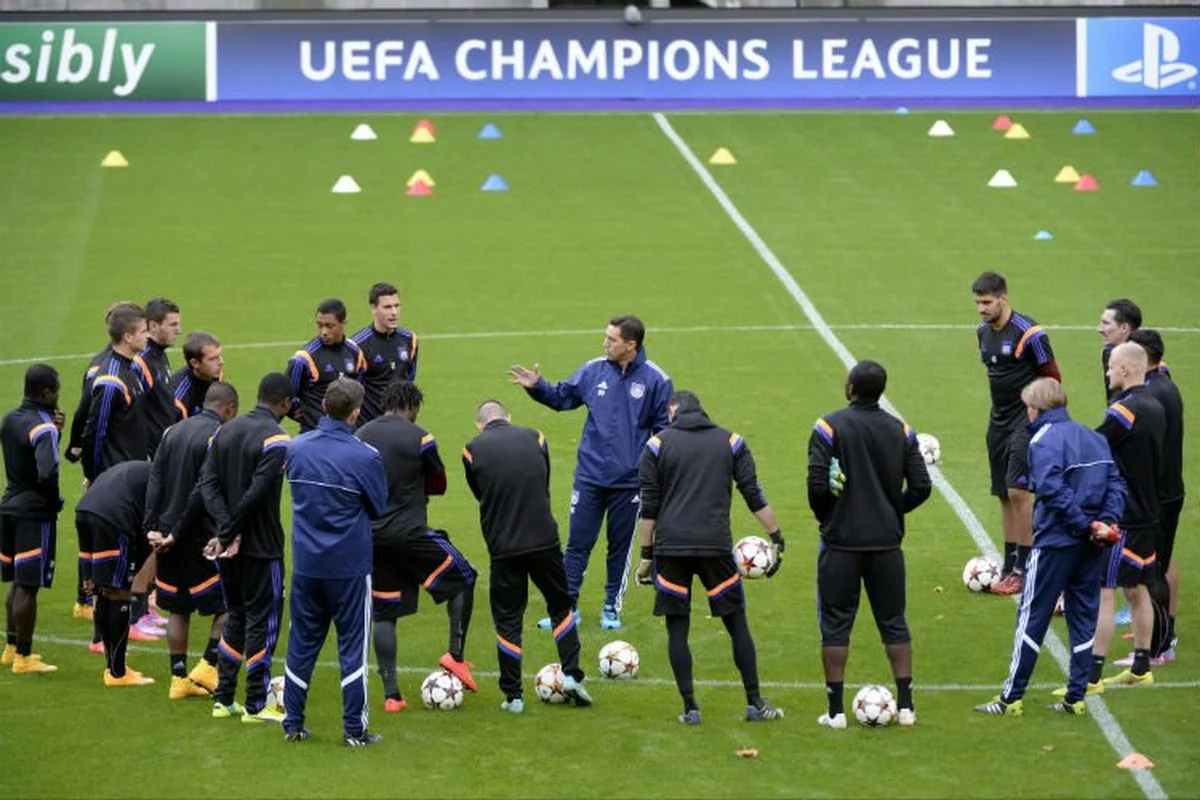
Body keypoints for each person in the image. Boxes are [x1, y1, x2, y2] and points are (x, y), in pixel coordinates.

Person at [509, 314, 672, 631]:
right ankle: (566, 609)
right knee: (577, 544)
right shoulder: (593, 369)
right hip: (590, 476)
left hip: (629, 483)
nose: (604, 343)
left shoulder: (656, 381)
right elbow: (562, 397)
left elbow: (663, 434)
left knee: (619, 547)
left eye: (611, 340)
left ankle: (611, 608)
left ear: (630, 345)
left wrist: (651, 475)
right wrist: (537, 387)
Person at [974, 378, 1126, 717]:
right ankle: (1075, 699)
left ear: (1037, 408)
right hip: (1092, 545)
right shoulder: (1094, 437)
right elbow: (1116, 483)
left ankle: (1011, 698)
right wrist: (1104, 524)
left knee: (1032, 616)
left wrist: (1084, 526)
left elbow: (1053, 491)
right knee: (1083, 616)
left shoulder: (1041, 440)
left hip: (1056, 542)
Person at [636, 390, 783, 724]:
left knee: (677, 630)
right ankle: (755, 703)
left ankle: (690, 708)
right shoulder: (731, 442)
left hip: (671, 549)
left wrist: (646, 555)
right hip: (715, 546)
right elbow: (752, 493)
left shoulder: (657, 446)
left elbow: (649, 507)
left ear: (673, 411)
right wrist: (776, 536)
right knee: (736, 624)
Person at [807, 361, 931, 728]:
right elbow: (922, 487)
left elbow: (817, 486)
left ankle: (836, 711)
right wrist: (894, 512)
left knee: (835, 624)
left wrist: (828, 516)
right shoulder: (901, 430)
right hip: (886, 545)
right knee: (893, 621)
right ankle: (906, 706)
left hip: (841, 543)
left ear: (850, 388)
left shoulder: (828, 427)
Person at [463, 399, 593, 713]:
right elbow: (542, 480)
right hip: (544, 539)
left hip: (504, 547)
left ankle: (514, 696)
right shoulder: (537, 437)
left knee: (508, 619)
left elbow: (479, 491)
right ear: (508, 417)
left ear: (479, 425)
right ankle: (572, 674)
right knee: (561, 605)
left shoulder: (472, 450)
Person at [356, 381, 477, 711]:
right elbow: (439, 484)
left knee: (384, 612)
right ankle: (455, 656)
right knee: (464, 576)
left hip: (371, 537)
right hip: (410, 534)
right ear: (413, 406)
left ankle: (392, 695)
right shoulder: (419, 436)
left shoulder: (361, 434)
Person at [282, 378, 388, 746]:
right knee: (353, 648)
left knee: (301, 642)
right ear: (356, 412)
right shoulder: (366, 456)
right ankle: (354, 730)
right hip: (349, 568)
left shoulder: (295, 448)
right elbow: (378, 507)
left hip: (307, 565)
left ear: (324, 405)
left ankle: (292, 723)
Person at [199, 373, 292, 723]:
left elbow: (207, 484)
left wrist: (224, 532)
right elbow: (258, 493)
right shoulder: (278, 438)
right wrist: (232, 530)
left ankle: (223, 699)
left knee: (236, 615)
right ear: (284, 403)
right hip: (261, 547)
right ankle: (255, 704)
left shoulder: (224, 430)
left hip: (228, 549)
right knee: (262, 621)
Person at [144, 382, 239, 701]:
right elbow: (202, 491)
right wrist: (179, 532)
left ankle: (178, 678)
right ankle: (208, 666)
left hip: (167, 535)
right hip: (197, 537)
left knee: (178, 608)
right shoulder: (218, 437)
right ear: (229, 410)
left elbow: (155, 478)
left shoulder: (173, 431)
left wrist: (152, 528)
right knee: (229, 605)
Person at [972, 272, 1061, 595]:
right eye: (977, 302)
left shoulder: (1030, 334)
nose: (981, 309)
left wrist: (1045, 419)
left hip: (1027, 421)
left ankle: (1025, 569)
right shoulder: (982, 334)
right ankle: (1010, 565)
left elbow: (1053, 379)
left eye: (986, 302)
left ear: (1003, 298)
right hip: (997, 421)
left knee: (1019, 492)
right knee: (1003, 494)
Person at [1091, 342, 1167, 688]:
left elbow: (1094, 446)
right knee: (1137, 591)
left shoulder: (1125, 410)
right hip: (1149, 511)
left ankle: (1090, 676)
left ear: (1124, 369)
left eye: (1110, 367)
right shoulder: (1155, 405)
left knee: (1104, 592)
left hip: (1125, 516)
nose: (1107, 373)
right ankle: (1141, 667)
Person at [65, 301, 141, 623]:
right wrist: (94, 474)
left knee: (114, 548)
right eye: (143, 331)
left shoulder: (127, 367)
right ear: (127, 335)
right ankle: (102, 615)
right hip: (113, 473)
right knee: (113, 549)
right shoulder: (110, 377)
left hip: (123, 468)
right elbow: (94, 427)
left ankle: (98, 603)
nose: (148, 337)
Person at [1, 365, 64, 674]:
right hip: (33, 513)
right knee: (29, 585)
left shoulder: (10, 419)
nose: (58, 396)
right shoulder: (44, 428)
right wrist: (54, 502)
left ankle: (11, 648)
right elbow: (46, 471)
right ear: (46, 393)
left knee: (17, 582)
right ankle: (25, 658)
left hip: (9, 505)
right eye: (56, 391)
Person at [1128, 329, 1184, 661]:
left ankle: (1157, 648)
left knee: (1153, 571)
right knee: (1159, 566)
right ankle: (1162, 641)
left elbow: (1149, 447)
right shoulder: (1167, 384)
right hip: (1170, 489)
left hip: (1156, 495)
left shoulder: (1150, 395)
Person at [75, 460, 156, 687]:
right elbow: (148, 525)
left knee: (102, 590)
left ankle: (111, 667)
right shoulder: (162, 479)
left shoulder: (139, 468)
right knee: (120, 591)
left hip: (85, 510)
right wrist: (140, 571)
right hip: (114, 518)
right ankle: (118, 673)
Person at [286, 298, 366, 433]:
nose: (324, 332)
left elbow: (358, 392)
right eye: (320, 325)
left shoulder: (355, 353)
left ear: (343, 324)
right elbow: (286, 398)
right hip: (315, 435)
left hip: (346, 435)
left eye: (330, 326)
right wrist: (306, 416)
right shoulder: (304, 359)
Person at [352, 282, 420, 425]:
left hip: (401, 426)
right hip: (369, 427)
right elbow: (353, 392)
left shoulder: (410, 340)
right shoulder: (357, 346)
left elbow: (409, 381)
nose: (394, 312)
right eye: (387, 307)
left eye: (397, 306)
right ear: (373, 308)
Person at [141, 297, 183, 455]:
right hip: (151, 453)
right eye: (173, 325)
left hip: (165, 448)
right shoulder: (142, 361)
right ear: (153, 326)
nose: (179, 330)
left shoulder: (159, 353)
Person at [172, 331, 225, 421]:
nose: (221, 362)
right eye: (212, 359)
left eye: (219, 356)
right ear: (195, 363)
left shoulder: (216, 374)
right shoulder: (179, 398)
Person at [1099, 299, 1142, 403]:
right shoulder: (1108, 353)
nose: (1100, 329)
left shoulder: (1146, 361)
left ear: (1124, 328)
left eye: (1106, 323)